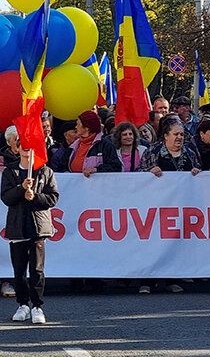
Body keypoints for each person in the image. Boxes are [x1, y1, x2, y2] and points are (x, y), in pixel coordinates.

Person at [137, 119, 200, 295]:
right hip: (156, 206)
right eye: (176, 134)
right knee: (154, 243)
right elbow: (137, 175)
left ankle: (172, 279)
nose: (179, 137)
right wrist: (149, 173)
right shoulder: (153, 152)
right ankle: (148, 281)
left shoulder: (189, 153)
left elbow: (199, 170)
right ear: (165, 136)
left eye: (181, 134)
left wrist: (197, 173)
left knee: (175, 242)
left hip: (181, 206)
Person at [1, 138, 59, 324]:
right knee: (19, 270)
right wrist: (21, 189)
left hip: (38, 228)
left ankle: (37, 306)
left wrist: (35, 197)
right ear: (17, 149)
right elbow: (5, 197)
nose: (28, 152)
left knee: (37, 269)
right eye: (24, 148)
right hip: (17, 226)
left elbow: (53, 198)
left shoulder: (45, 171)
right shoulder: (10, 171)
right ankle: (22, 304)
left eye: (32, 149)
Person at [59, 110, 122, 175]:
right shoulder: (73, 146)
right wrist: (67, 174)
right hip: (75, 184)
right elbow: (61, 166)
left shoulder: (105, 145)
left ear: (87, 128)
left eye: (78, 124)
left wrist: (96, 169)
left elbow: (116, 166)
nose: (76, 127)